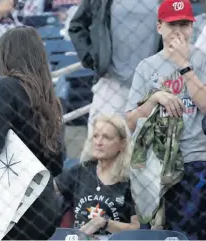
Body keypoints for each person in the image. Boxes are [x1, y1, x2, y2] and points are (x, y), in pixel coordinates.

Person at [0, 26, 64, 240]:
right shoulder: (50, 98)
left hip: (13, 205)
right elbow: (57, 163)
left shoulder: (5, 88)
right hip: (44, 205)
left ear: (6, 56)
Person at [125, 0, 206, 239]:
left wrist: (184, 65)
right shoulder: (146, 67)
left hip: (197, 160)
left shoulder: (202, 60)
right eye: (172, 25)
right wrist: (153, 100)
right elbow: (129, 123)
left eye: (184, 24)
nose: (178, 31)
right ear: (159, 27)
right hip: (157, 168)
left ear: (192, 27)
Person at [68, 0, 161, 136]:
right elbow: (77, 25)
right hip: (111, 81)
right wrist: (93, 58)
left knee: (147, 149)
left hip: (152, 83)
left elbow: (178, 25)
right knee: (101, 143)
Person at [54, 115, 139, 237]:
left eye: (106, 137)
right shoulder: (80, 171)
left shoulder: (130, 180)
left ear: (122, 144)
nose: (98, 142)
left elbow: (137, 229)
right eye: (95, 136)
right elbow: (48, 190)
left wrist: (104, 223)